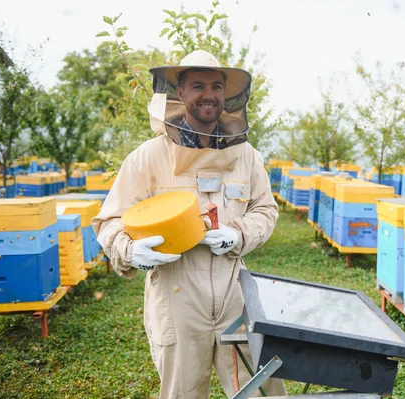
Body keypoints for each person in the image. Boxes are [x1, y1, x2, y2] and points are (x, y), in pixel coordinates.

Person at [92, 50, 287, 399]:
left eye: (216, 86)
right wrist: (130, 250)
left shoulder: (247, 156)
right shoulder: (147, 157)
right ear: (179, 94)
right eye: (197, 85)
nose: (208, 94)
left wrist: (239, 233)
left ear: (227, 95)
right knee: (182, 393)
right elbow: (109, 221)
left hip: (235, 294)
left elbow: (265, 209)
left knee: (257, 390)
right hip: (175, 296)